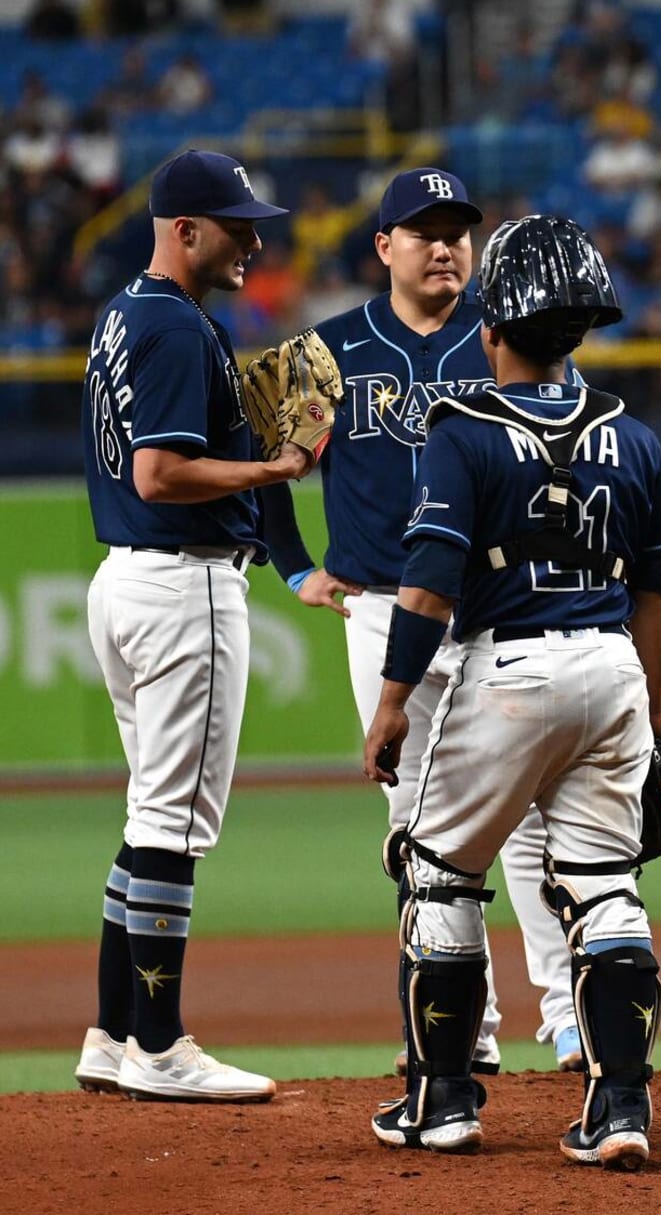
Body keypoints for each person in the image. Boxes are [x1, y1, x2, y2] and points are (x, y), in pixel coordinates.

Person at [361, 214, 661, 1167]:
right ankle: (619, 1109)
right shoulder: (636, 436)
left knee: (438, 872)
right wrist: (656, 708)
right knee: (603, 889)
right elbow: (657, 597)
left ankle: (442, 1099)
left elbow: (426, 585)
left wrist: (391, 702)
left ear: (492, 327)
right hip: (613, 668)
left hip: (510, 669)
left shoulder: (460, 433)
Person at [262, 168, 586, 1075]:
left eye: (457, 231)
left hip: (493, 615)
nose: (444, 245)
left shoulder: (506, 342)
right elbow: (263, 466)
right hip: (376, 610)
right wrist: (295, 568)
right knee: (417, 827)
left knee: (524, 821)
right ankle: (459, 1033)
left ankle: (565, 1017)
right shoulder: (323, 351)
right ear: (384, 247)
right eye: (422, 230)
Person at [74, 149, 302, 1102]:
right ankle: (161, 1046)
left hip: (128, 583)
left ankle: (114, 1030)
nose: (255, 238)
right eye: (237, 222)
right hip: (184, 588)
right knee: (175, 819)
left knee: (148, 811)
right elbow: (159, 474)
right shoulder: (172, 327)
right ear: (183, 229)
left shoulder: (127, 313)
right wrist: (272, 469)